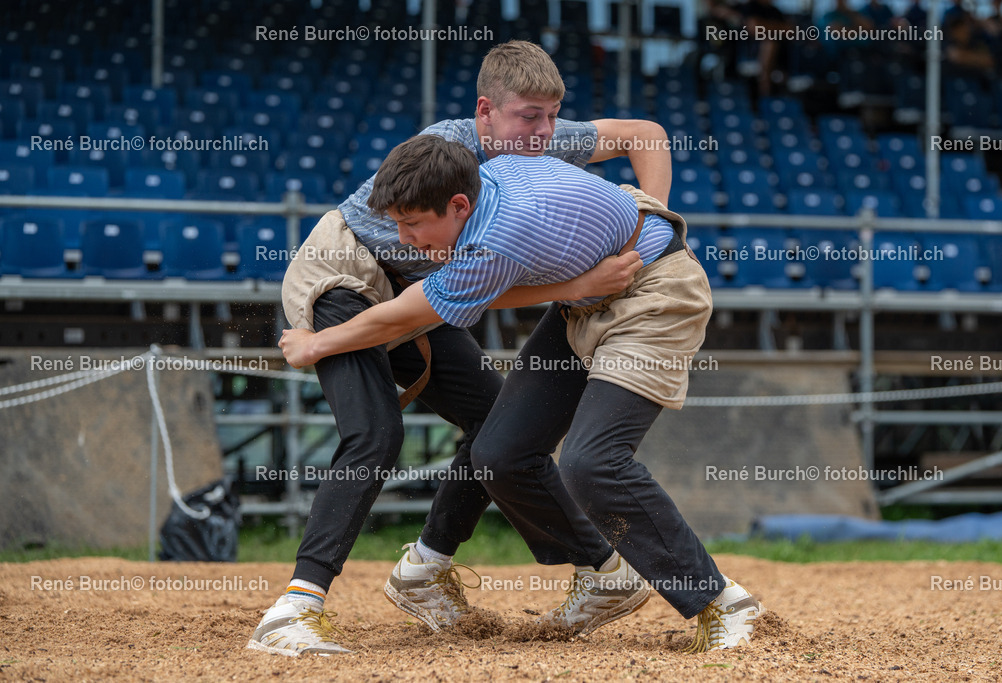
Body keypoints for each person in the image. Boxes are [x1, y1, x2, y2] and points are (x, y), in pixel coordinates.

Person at [248, 40, 670, 657]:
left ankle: (432, 569)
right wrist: (318, 342)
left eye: (553, 116)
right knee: (374, 433)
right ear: (485, 113)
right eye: (529, 118)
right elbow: (433, 297)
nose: (545, 133)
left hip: (422, 290)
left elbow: (645, 134)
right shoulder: (449, 152)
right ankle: (294, 607)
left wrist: (652, 214)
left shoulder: (533, 140)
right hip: (346, 277)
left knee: (497, 428)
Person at [279, 134, 763, 652]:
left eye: (413, 223)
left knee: (593, 463)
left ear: (459, 205)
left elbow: (412, 311)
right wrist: (584, 277)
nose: (402, 237)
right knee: (498, 453)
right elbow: (489, 287)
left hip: (655, 294)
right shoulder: (488, 174)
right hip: (587, 297)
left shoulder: (498, 234)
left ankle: (721, 602)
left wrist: (315, 343)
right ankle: (604, 579)